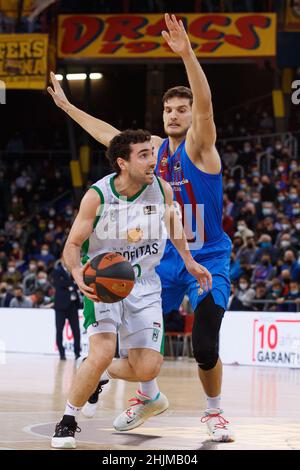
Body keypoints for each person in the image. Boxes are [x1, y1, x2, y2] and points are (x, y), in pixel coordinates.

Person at [47, 13, 234, 442]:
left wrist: (187, 53)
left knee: (205, 345)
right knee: (135, 352)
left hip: (205, 256)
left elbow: (205, 105)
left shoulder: (202, 148)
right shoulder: (151, 154)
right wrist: (67, 106)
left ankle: (214, 412)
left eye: (181, 110)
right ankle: (141, 393)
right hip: (161, 258)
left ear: (191, 117)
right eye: (168, 109)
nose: (174, 115)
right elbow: (110, 137)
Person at [50, 129, 211, 448]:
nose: (153, 160)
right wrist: (77, 270)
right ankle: (68, 421)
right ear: (123, 163)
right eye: (144, 155)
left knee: (147, 367)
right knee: (102, 351)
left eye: (152, 153)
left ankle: (97, 375)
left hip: (146, 285)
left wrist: (188, 260)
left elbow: (174, 224)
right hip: (103, 283)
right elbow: (72, 244)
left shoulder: (162, 189)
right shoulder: (98, 196)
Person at [52, 259, 81, 360]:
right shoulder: (57, 271)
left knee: (76, 331)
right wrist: (72, 284)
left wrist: (70, 285)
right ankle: (61, 353)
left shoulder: (74, 271)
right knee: (59, 330)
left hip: (73, 306)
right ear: (62, 260)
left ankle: (77, 353)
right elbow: (59, 284)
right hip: (60, 307)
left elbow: (78, 283)